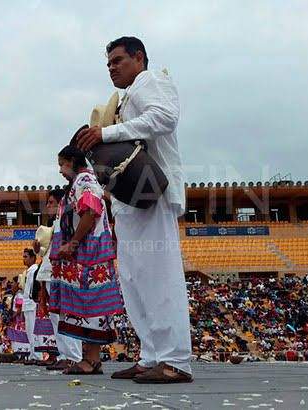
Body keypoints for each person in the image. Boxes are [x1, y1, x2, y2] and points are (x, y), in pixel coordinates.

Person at [74, 36, 193, 383]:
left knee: (159, 277)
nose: (111, 67)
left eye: (117, 60)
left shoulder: (151, 81)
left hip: (151, 190)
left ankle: (176, 359)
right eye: (108, 63)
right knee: (133, 279)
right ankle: (152, 354)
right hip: (129, 198)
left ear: (139, 58)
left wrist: (108, 133)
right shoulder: (126, 97)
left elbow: (165, 118)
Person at [49, 145, 125, 375]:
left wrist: (72, 243)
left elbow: (90, 212)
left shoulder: (84, 181)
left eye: (62, 164)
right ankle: (89, 358)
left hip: (88, 252)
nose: (61, 170)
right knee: (85, 303)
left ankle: (91, 360)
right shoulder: (81, 182)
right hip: (85, 250)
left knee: (89, 303)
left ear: (73, 161)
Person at [35, 188, 82, 371]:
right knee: (56, 315)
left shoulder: (68, 218)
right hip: (50, 271)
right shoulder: (53, 224)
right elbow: (45, 251)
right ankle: (64, 354)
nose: (48, 206)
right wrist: (37, 248)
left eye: (51, 202)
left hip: (63, 271)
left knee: (66, 314)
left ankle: (74, 356)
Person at [6, 277, 30, 363]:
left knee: (20, 337)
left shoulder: (19, 295)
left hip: (19, 320)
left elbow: (19, 308)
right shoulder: (17, 294)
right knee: (18, 338)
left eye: (13, 283)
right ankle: (21, 356)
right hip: (17, 319)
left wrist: (12, 317)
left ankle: (23, 356)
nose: (12, 285)